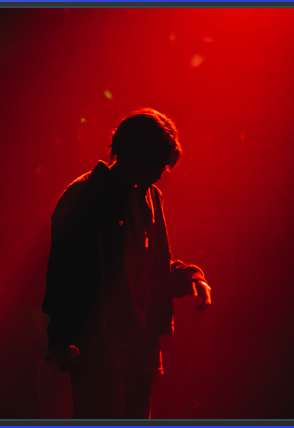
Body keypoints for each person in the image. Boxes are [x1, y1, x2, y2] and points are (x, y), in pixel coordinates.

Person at [42, 108, 211, 419]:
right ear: (140, 158)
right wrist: (62, 337)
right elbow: (63, 272)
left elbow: (151, 266)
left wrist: (191, 278)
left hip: (140, 342)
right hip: (100, 342)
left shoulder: (150, 197)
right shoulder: (85, 196)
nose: (161, 174)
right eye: (158, 165)